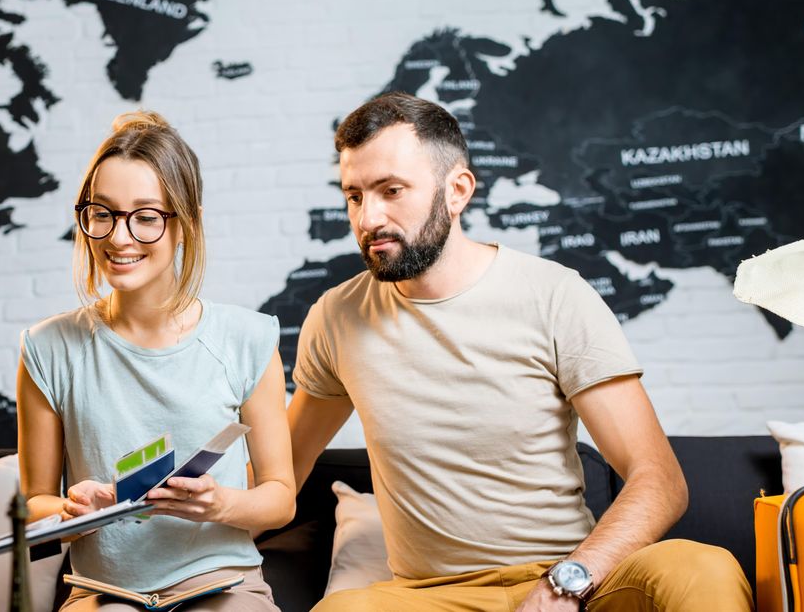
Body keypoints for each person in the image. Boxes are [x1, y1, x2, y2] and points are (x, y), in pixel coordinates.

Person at [287, 93, 753, 611]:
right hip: (431, 597)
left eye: (391, 190)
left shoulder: (555, 294)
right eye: (354, 196)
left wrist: (565, 584)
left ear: (457, 190)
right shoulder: (336, 317)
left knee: (702, 567)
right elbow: (281, 470)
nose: (368, 217)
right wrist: (196, 490)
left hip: (576, 582)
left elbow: (660, 481)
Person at [17, 112, 296, 611]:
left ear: (186, 223)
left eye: (146, 217)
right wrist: (73, 509)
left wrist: (218, 504)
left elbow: (280, 497)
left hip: (220, 582)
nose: (118, 238)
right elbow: (34, 505)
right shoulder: (47, 349)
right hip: (106, 593)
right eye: (102, 213)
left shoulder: (248, 339)